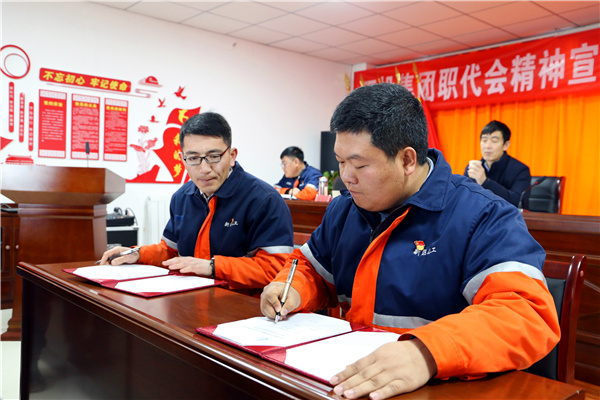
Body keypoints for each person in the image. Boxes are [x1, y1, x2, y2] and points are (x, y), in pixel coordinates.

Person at [260, 83, 559, 400]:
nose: (346, 176)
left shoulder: (483, 214)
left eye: (359, 165)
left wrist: (426, 353)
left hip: (440, 386)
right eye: (340, 161)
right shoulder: (344, 209)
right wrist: (291, 288)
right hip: (352, 377)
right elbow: (311, 269)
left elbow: (525, 314)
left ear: (407, 160)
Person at [100, 112, 294, 294]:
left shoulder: (264, 199)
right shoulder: (181, 197)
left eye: (214, 157)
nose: (204, 169)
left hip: (242, 304)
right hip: (191, 297)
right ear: (182, 159)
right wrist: (137, 253)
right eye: (193, 158)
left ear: (232, 156)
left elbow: (275, 269)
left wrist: (212, 267)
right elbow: (171, 251)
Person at [464, 120, 532, 209]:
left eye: (494, 141)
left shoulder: (520, 170)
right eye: (484, 140)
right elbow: (463, 198)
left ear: (506, 145)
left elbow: (517, 202)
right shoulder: (473, 168)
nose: (487, 146)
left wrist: (485, 182)